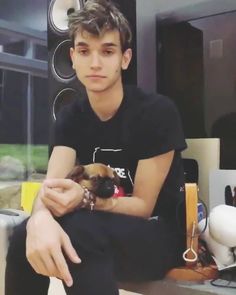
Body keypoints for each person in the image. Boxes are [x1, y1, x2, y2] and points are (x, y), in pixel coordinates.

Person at [5, 1, 187, 294]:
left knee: (77, 231)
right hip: (96, 231)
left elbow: (142, 206)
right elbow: (51, 187)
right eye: (85, 51)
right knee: (22, 236)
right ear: (73, 58)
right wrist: (38, 219)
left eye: (107, 51)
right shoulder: (70, 117)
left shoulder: (157, 113)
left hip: (157, 235)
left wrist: (84, 200)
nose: (95, 63)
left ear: (124, 59)